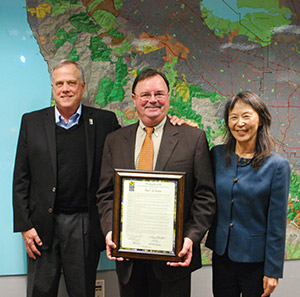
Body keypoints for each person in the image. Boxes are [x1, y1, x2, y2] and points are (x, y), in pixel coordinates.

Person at [96, 68, 216, 297]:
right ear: (134, 99)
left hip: (174, 259)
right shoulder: (115, 141)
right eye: (145, 94)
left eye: (159, 94)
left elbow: (205, 196)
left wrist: (191, 237)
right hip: (129, 258)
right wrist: (110, 230)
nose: (153, 100)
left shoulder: (193, 139)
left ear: (169, 97)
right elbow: (106, 193)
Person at [13, 59, 120, 297]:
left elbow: (129, 146)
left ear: (82, 86)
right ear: (52, 88)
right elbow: (21, 178)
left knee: (82, 290)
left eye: (71, 82)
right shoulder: (31, 122)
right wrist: (25, 226)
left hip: (84, 224)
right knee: (41, 291)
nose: (65, 89)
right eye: (59, 83)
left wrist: (172, 123)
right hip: (41, 227)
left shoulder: (105, 122)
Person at [206, 91, 291, 297]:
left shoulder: (277, 166)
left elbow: (277, 223)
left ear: (260, 120)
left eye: (246, 116)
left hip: (256, 262)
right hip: (222, 257)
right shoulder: (216, 155)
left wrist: (272, 271)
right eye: (233, 117)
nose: (239, 123)